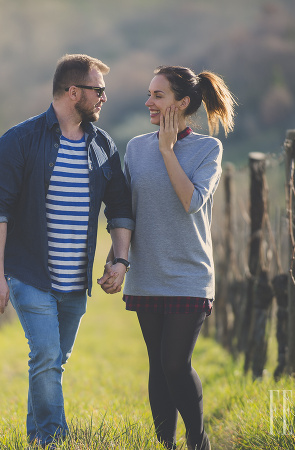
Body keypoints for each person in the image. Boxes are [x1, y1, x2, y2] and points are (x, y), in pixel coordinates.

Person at [0, 54, 134, 447]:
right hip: (29, 273)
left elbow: (119, 208)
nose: (104, 98)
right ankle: (55, 441)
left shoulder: (102, 147)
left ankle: (37, 439)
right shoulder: (18, 141)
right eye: (98, 90)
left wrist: (120, 259)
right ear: (73, 92)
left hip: (75, 281)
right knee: (47, 356)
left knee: (52, 363)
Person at [99, 65, 235, 450]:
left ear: (183, 102)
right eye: (149, 94)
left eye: (158, 95)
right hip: (147, 273)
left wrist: (167, 149)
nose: (149, 102)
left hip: (189, 275)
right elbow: (128, 211)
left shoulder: (209, 149)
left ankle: (198, 441)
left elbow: (192, 201)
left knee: (176, 363)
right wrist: (117, 261)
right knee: (158, 367)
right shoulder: (136, 148)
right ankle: (166, 445)